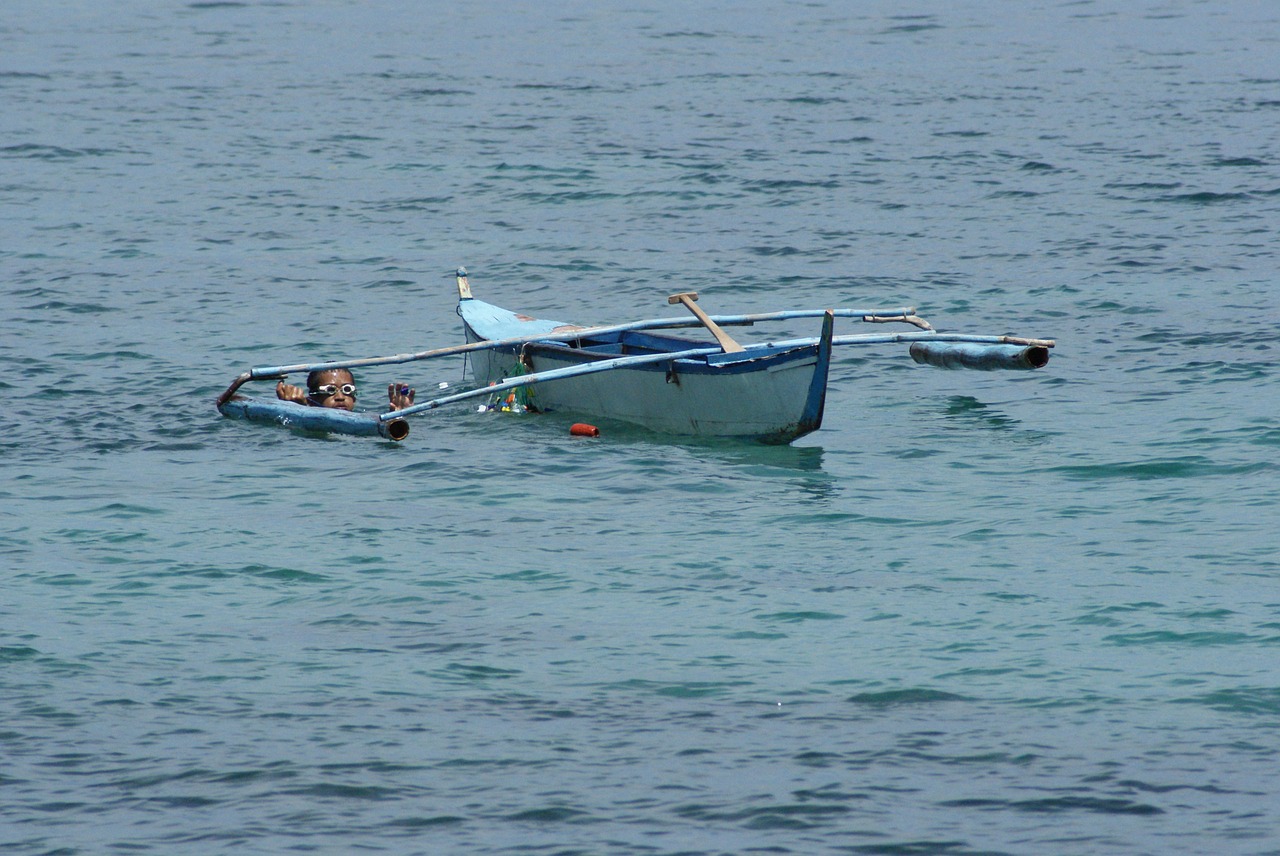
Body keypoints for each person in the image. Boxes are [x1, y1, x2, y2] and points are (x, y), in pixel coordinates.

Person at [276, 368, 415, 412]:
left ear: (354, 397)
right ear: (312, 398)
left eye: (347, 390)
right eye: (330, 390)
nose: (340, 396)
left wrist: (401, 416)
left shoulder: (368, 419)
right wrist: (294, 409)